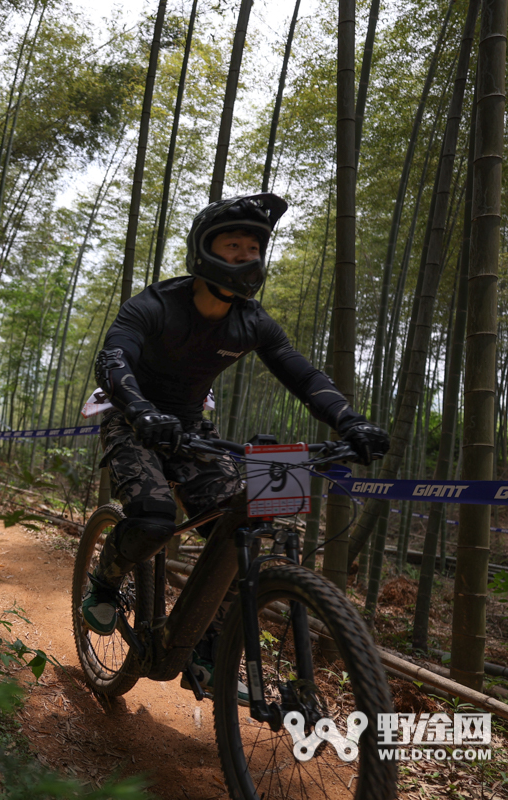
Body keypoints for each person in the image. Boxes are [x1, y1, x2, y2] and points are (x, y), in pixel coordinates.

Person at [82, 192, 389, 697]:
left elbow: (302, 374)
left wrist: (350, 423)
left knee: (248, 524)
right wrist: (140, 410)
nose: (246, 256)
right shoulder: (155, 305)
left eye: (253, 247)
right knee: (155, 518)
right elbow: (114, 360)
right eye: (234, 245)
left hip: (192, 430)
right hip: (133, 419)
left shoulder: (253, 320)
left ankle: (209, 645)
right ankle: (106, 579)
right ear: (205, 251)